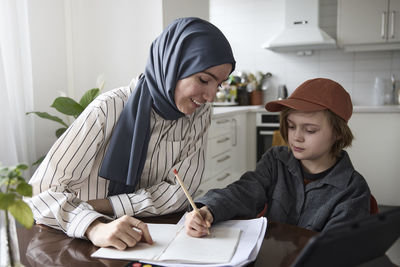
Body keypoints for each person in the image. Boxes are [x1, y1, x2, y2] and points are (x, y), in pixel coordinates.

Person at [26, 17, 235, 250]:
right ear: (172, 64)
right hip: (79, 241)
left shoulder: (198, 114)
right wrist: (94, 226)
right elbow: (39, 193)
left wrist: (103, 205)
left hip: (150, 241)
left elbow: (177, 193)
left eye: (219, 85)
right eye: (204, 79)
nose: (211, 96)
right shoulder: (107, 109)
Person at [185, 78, 371, 237]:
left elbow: (336, 251)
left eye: (310, 130)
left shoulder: (353, 189)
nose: (296, 137)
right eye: (291, 126)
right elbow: (245, 191)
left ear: (338, 133)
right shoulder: (276, 160)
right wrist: (209, 209)